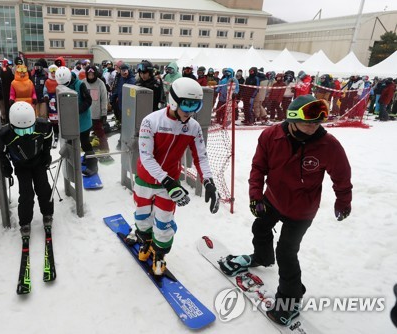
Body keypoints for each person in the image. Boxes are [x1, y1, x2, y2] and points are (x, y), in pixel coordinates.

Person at [219, 95, 352, 326]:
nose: (313, 127)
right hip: (273, 198)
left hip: (302, 209)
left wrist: (343, 202)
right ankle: (262, 257)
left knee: (287, 252)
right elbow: (258, 167)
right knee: (260, 227)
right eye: (308, 122)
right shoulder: (271, 136)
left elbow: (342, 177)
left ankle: (290, 298)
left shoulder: (329, 145)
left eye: (317, 123)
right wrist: (255, 196)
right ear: (292, 118)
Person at [126, 77, 220, 276]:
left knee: (164, 222)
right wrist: (167, 180)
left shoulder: (193, 127)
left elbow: (201, 157)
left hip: (169, 184)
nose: (190, 112)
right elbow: (146, 156)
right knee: (142, 217)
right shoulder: (151, 121)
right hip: (146, 178)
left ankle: (159, 254)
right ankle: (145, 241)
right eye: (187, 106)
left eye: (196, 106)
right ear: (174, 101)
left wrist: (209, 181)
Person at [0, 101, 54, 238]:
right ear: (12, 125)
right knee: (26, 194)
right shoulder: (4, 135)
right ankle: (25, 222)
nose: (26, 134)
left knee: (44, 188)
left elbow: (48, 137)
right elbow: (1, 152)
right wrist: (6, 166)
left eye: (29, 129)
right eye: (21, 131)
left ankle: (47, 213)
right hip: (21, 165)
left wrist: (46, 154)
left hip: (38, 161)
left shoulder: (42, 126)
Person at [54, 66, 97, 176]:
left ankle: (93, 164)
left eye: (66, 84)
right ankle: (72, 163)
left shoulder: (80, 85)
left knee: (85, 142)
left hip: (83, 120)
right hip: (70, 121)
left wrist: (77, 110)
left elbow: (88, 100)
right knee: (70, 143)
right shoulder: (60, 85)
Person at [83, 65, 110, 155]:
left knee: (100, 132)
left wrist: (104, 113)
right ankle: (85, 147)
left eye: (92, 74)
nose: (90, 76)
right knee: (84, 133)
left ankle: (104, 148)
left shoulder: (100, 83)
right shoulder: (83, 83)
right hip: (86, 113)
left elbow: (104, 99)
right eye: (89, 74)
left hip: (96, 114)